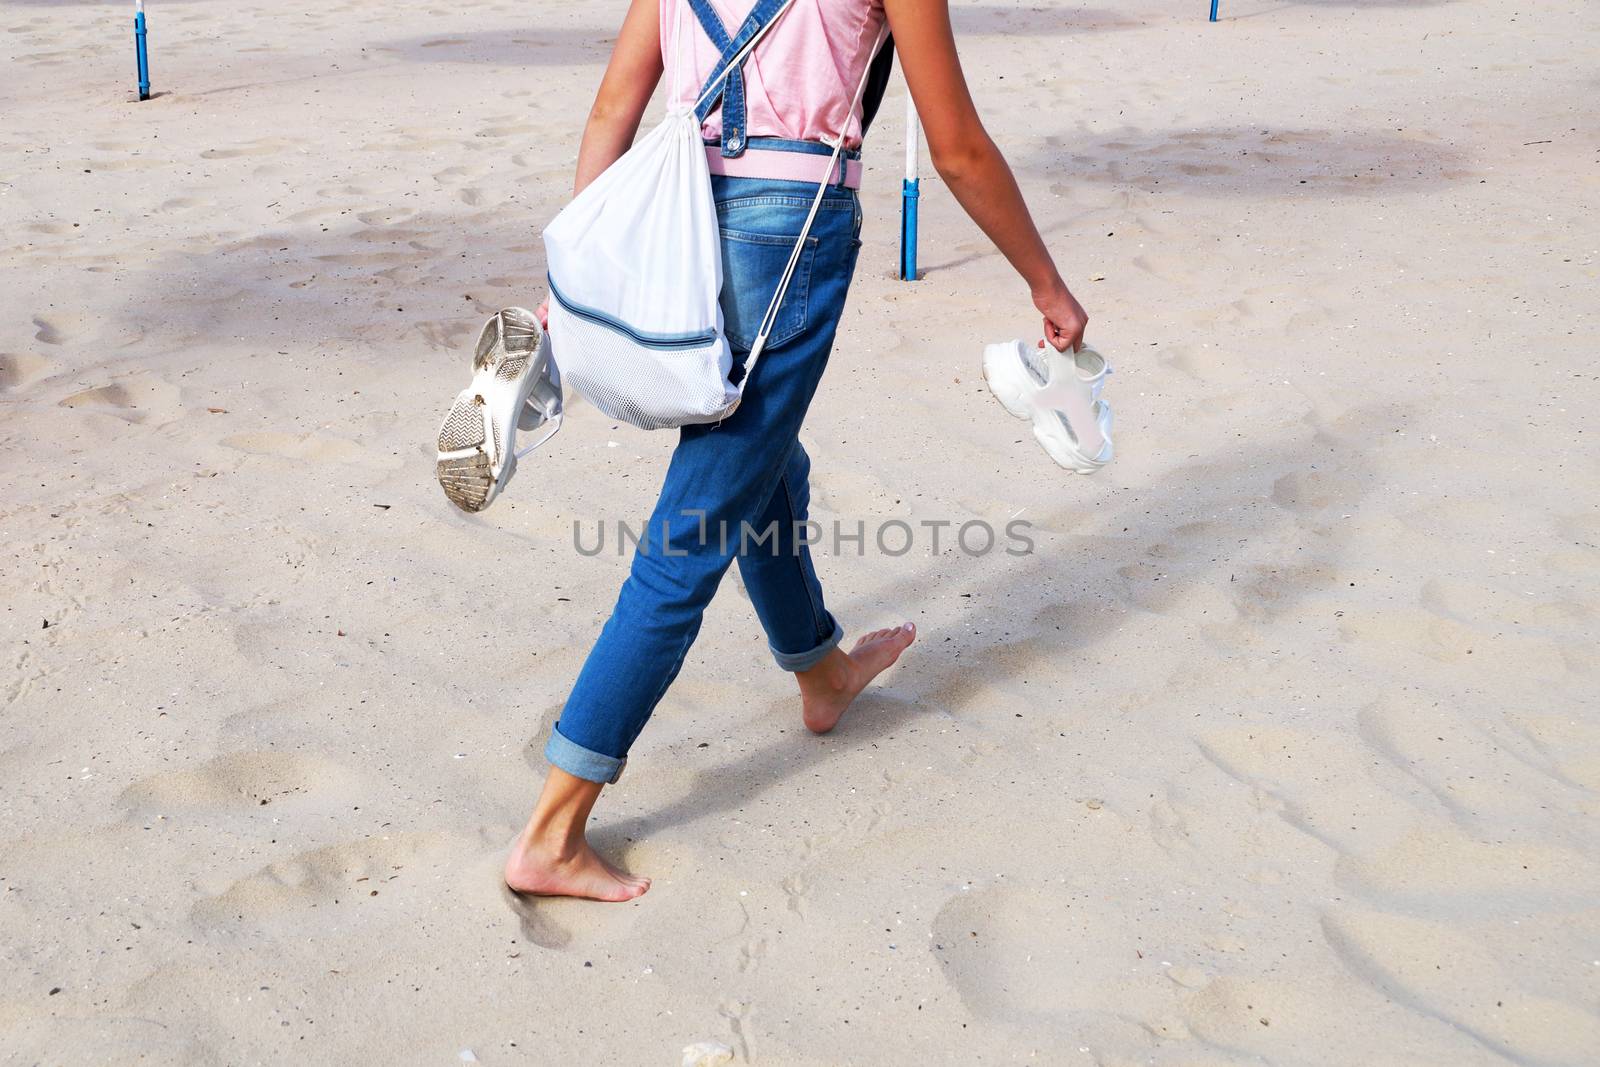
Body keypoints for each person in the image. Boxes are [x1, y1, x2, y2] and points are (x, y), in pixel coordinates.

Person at [505, 0, 1089, 901]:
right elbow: (959, 147)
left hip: (674, 220)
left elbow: (612, 109)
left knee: (767, 460)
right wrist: (1046, 283)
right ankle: (553, 830)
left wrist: (579, 270)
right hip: (789, 234)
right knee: (690, 533)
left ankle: (821, 671)